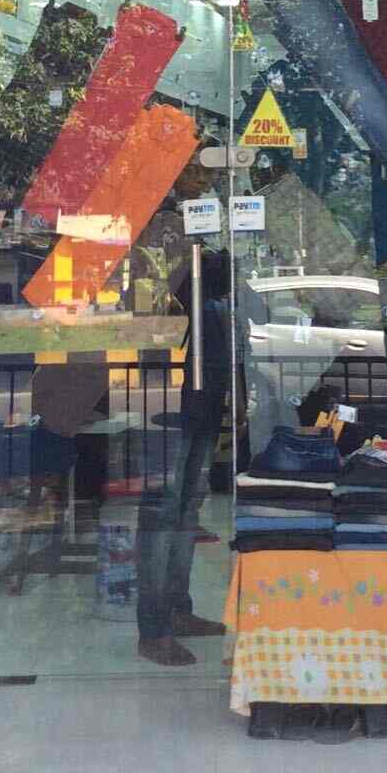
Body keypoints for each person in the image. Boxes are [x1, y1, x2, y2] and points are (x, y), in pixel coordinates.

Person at [135, 241, 233, 668]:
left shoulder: (211, 297)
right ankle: (154, 628)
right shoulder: (166, 263)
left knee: (186, 509)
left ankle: (176, 609)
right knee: (164, 515)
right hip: (171, 406)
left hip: (200, 405)